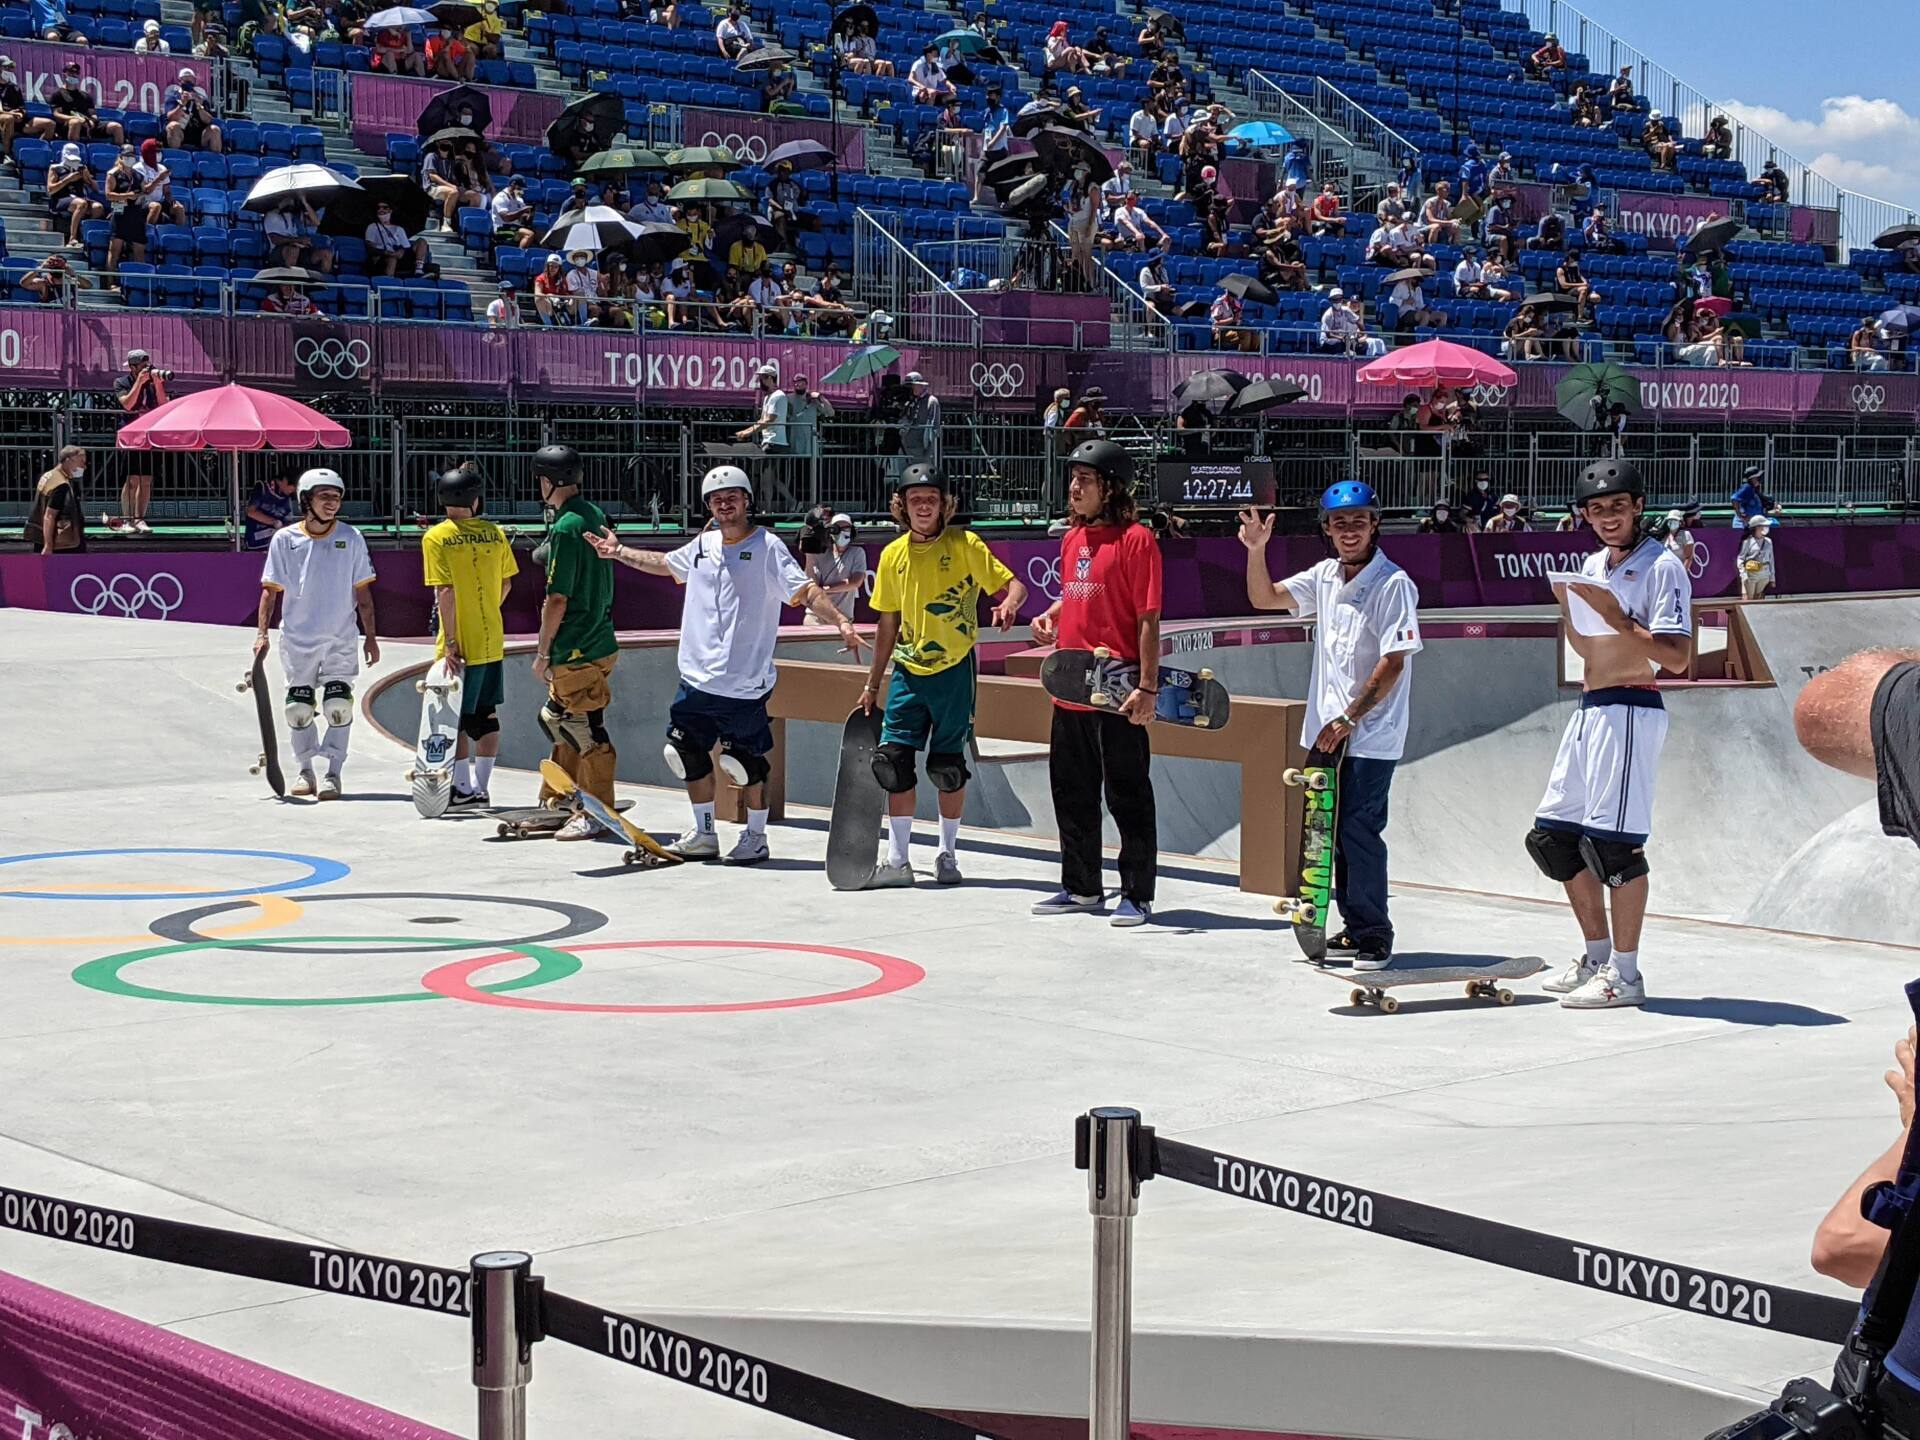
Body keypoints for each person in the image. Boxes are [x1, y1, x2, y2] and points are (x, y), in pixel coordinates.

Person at [588, 464, 864, 862]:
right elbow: (665, 564)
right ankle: (704, 834)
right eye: (717, 500)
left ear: (747, 501)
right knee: (683, 754)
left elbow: (805, 591)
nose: (725, 504)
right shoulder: (704, 544)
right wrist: (618, 552)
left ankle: (755, 836)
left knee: (744, 764)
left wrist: (840, 621)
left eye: (732, 497)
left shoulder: (767, 547)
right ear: (709, 506)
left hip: (743, 683)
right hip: (696, 680)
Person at [1529, 459, 1693, 1009]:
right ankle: (1597, 957)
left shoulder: (1662, 566)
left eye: (1617, 506)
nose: (1607, 517)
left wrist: (1620, 621)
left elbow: (1676, 657)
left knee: (1615, 850)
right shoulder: (1593, 563)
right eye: (1596, 509)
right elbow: (1588, 650)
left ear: (1638, 507)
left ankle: (1627, 974)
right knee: (1553, 839)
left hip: (1630, 708)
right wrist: (1572, 615)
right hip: (1591, 706)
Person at [1238, 481, 1421, 967]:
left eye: (1359, 521)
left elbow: (1394, 660)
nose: (1349, 531)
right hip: (1324, 732)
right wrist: (1257, 550)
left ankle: (1376, 932)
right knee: (1328, 833)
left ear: (1374, 524)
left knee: (1359, 831)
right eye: (1340, 523)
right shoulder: (1324, 576)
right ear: (1327, 529)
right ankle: (1350, 923)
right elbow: (1264, 598)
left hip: (1370, 735)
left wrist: (1350, 716)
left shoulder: (1393, 583)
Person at [855, 465, 1025, 887]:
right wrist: (873, 683)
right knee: (893, 764)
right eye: (915, 499)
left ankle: (947, 855)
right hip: (909, 672)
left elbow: (1015, 586)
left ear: (945, 505)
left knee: (947, 768)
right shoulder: (893, 554)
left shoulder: (965, 544)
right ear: (902, 507)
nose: (924, 505)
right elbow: (886, 625)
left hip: (954, 672)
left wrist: (1009, 605)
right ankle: (898, 860)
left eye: (932, 498)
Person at [1029, 439, 1163, 926]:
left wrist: (1147, 688)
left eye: (1084, 480)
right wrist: (1050, 614)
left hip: (1119, 687)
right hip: (1071, 685)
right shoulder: (1071, 539)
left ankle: (1137, 892)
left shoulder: (1136, 540)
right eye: (1073, 479)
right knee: (1071, 790)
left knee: (1127, 793)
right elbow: (1079, 596)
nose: (1074, 488)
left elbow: (1148, 619)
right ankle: (1082, 886)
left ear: (1110, 488)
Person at [253, 468, 379, 801]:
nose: (332, 503)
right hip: (298, 640)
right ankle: (305, 769)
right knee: (298, 709)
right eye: (324, 497)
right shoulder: (285, 539)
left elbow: (363, 594)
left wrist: (371, 637)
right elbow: (270, 591)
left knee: (339, 705)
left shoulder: (351, 537)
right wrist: (262, 634)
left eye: (336, 497)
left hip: (340, 639)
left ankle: (333, 773)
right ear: (306, 499)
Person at [523, 444, 619, 837]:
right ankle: (559, 797)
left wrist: (542, 652)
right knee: (559, 722)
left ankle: (597, 810)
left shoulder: (564, 527)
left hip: (574, 646)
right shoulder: (593, 514)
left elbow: (556, 598)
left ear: (547, 482)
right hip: (601, 640)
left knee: (584, 730)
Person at [422, 463, 517, 807]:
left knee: (456, 718)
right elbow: (506, 582)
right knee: (487, 714)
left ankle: (462, 788)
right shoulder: (495, 533)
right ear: (475, 500)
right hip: (492, 637)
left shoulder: (437, 537)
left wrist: (450, 641)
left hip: (460, 642)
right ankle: (482, 786)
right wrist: (488, 611)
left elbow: (444, 591)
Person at [105, 349, 169, 534]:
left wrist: (157, 384)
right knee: (132, 479)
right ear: (132, 367)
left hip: (150, 434)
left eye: (147, 365)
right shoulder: (121, 382)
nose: (146, 369)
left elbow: (164, 405)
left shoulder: (152, 381)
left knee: (146, 479)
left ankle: (140, 519)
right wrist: (139, 383)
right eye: (142, 366)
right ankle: (127, 519)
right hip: (131, 435)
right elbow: (127, 404)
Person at [806, 512, 866, 625]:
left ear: (852, 531)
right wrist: (809, 555)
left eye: (846, 528)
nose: (843, 531)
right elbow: (811, 583)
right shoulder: (820, 554)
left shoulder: (857, 553)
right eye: (838, 528)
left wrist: (826, 589)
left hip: (843, 618)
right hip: (816, 616)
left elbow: (855, 582)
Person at [28, 445, 87, 555]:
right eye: (81, 462)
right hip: (63, 544)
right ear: (69, 460)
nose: (84, 467)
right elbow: (49, 516)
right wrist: (48, 546)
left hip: (44, 538)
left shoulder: (49, 475)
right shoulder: (60, 484)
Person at [365, 200, 431, 277]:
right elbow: (370, 247)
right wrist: (386, 252)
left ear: (390, 210)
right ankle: (389, 282)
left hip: (401, 257)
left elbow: (406, 247)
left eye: (385, 207)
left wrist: (401, 251)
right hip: (383, 257)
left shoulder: (399, 228)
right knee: (392, 258)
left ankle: (418, 271)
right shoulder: (372, 227)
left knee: (421, 241)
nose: (381, 210)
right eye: (378, 208)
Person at [164, 67, 222, 152]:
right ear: (180, 81)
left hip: (198, 134)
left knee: (214, 129)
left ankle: (216, 161)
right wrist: (181, 104)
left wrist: (199, 106)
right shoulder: (173, 97)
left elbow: (208, 120)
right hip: (181, 133)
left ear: (194, 81)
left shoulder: (200, 98)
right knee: (173, 126)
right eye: (185, 80)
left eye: (190, 80)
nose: (188, 83)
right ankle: (176, 157)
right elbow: (171, 117)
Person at [243, 469, 298, 550]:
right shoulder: (262, 488)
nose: (293, 490)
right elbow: (251, 512)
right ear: (284, 480)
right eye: (293, 485)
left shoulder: (288, 498)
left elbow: (287, 521)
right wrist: (274, 522)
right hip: (256, 542)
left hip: (277, 544)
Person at [1739, 514, 1776, 599]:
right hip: (1751, 574)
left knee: (1759, 598)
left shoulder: (1768, 541)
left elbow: (1771, 560)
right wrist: (1743, 575)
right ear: (1757, 527)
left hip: (1765, 575)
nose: (1766, 527)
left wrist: (1772, 578)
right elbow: (1741, 559)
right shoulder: (1747, 542)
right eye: (1764, 525)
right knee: (1749, 599)